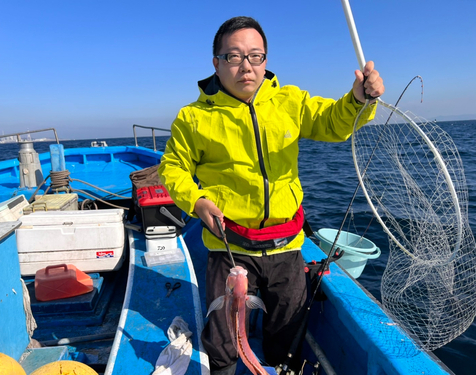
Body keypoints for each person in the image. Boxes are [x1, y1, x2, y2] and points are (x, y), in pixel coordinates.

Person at [158, 16, 385, 375]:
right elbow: (173, 168)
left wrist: (359, 99)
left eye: (255, 56)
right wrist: (197, 201)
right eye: (233, 57)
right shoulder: (193, 118)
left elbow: (333, 123)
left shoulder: (289, 101)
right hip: (228, 245)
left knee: (288, 329)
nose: (245, 66)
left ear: (266, 60)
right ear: (216, 63)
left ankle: (279, 368)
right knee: (222, 337)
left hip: (286, 244)